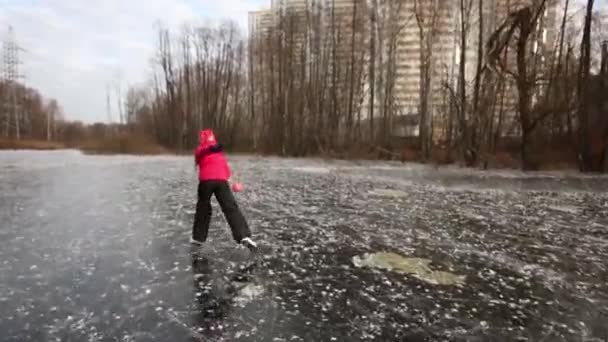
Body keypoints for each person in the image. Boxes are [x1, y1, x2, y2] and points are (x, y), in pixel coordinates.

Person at [192, 129, 257, 252]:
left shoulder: (200, 149)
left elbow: (199, 156)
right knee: (230, 208)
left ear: (202, 139)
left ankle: (198, 238)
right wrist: (231, 181)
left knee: (203, 209)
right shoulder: (219, 152)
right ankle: (243, 235)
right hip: (221, 181)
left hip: (206, 181)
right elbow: (226, 169)